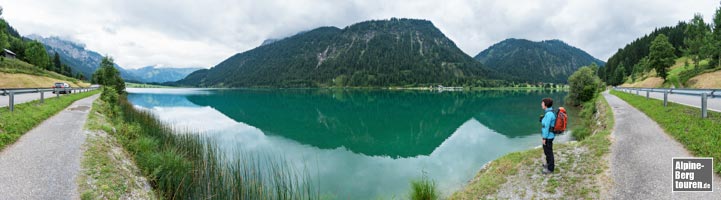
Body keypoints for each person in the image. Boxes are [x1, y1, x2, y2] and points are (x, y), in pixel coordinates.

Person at [540, 98, 556, 174]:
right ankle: (548, 164)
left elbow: (546, 127)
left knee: (549, 152)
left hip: (548, 136)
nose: (541, 104)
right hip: (549, 135)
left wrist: (544, 138)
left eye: (542, 103)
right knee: (547, 151)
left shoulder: (549, 114)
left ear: (546, 105)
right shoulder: (549, 112)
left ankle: (550, 169)